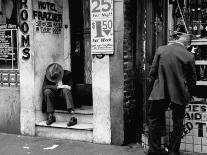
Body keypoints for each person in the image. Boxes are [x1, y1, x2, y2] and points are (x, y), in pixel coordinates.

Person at [147, 34, 197, 155]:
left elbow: (152, 73)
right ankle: (173, 151)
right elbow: (192, 79)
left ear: (177, 40)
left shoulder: (161, 49)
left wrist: (151, 90)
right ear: (188, 45)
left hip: (160, 91)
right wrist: (191, 93)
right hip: (179, 92)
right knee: (178, 122)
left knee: (154, 120)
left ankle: (154, 150)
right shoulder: (189, 55)